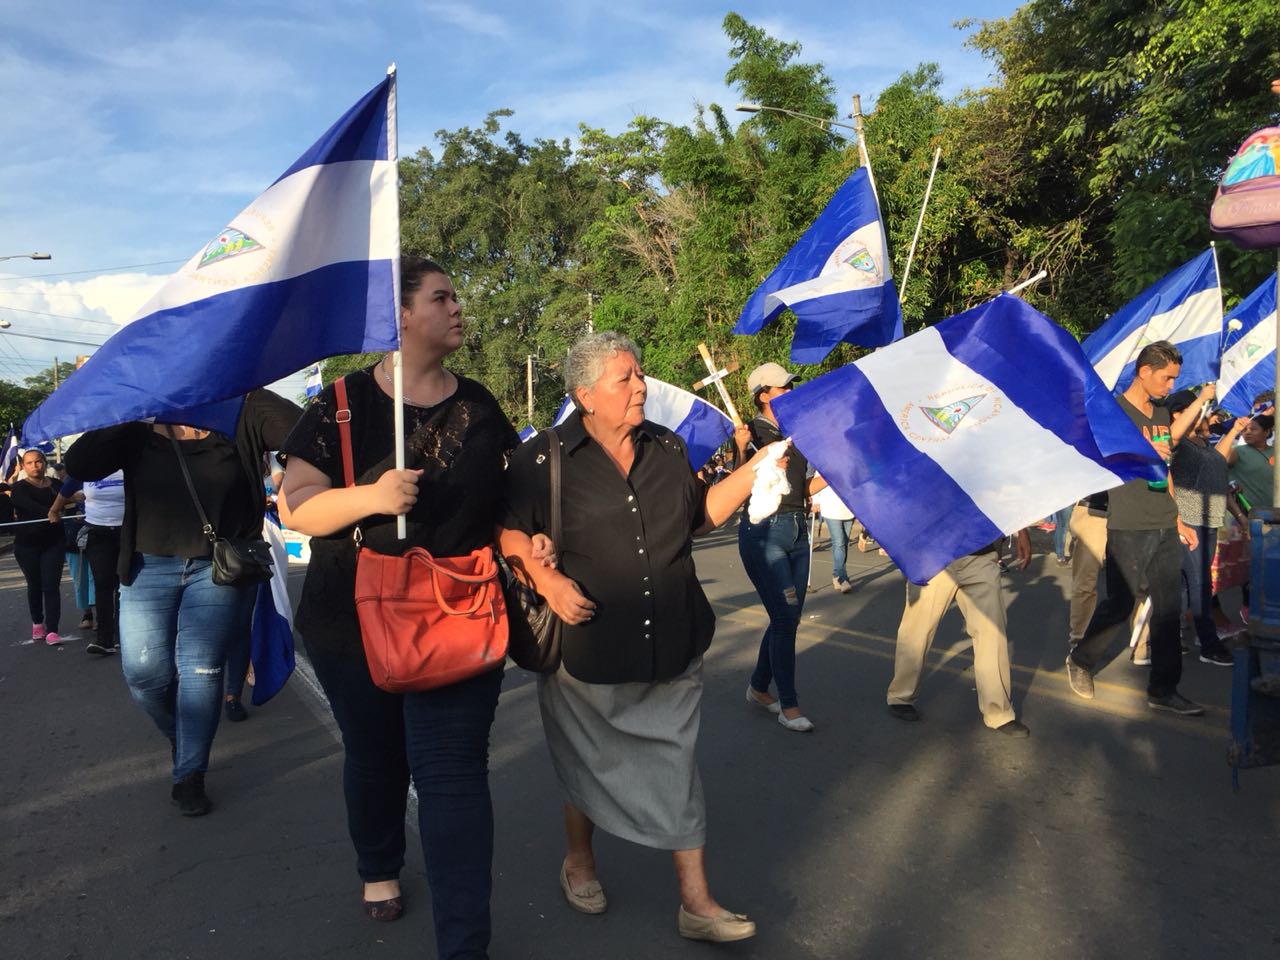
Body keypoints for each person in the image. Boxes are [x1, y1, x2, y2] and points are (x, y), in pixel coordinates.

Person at [279, 257, 542, 958]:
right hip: (351, 622)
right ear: (398, 315)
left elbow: (508, 505)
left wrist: (531, 547)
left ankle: (464, 944)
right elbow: (295, 507)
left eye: (456, 296)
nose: (458, 307)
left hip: (459, 615)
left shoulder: (482, 406)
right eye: (442, 297)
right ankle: (378, 864)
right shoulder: (342, 402)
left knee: (453, 775)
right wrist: (371, 496)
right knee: (375, 756)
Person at [500, 331, 777, 944]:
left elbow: (699, 516)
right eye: (624, 378)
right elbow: (509, 534)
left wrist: (757, 469)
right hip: (589, 651)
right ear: (586, 394)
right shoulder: (543, 459)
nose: (641, 386)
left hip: (673, 641)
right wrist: (545, 581)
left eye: (639, 374)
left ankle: (697, 903)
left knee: (678, 770)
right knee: (586, 767)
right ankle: (580, 860)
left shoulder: (667, 447)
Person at [66, 388, 301, 815]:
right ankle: (183, 734)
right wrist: (135, 406)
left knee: (200, 669)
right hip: (147, 566)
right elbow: (79, 463)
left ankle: (189, 773)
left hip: (218, 569)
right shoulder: (139, 421)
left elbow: (301, 431)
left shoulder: (240, 409)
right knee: (143, 673)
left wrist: (245, 378)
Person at [1065, 342, 1205, 716]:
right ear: (1144, 372)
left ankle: (1163, 688)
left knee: (1168, 609)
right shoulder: (1115, 412)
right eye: (1167, 377)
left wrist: (1178, 517)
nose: (1171, 385)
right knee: (1120, 602)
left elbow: (1166, 469)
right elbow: (1103, 460)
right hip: (1128, 522)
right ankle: (1080, 660)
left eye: (1174, 378)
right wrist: (1141, 454)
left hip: (1163, 520)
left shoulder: (1160, 411)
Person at [734, 362, 827, 732]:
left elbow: (802, 491)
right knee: (786, 620)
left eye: (791, 386)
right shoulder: (750, 433)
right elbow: (737, 485)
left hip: (797, 530)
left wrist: (837, 475)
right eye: (782, 388)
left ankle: (759, 687)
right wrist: (742, 451)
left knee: (786, 617)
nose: (790, 392)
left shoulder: (795, 434)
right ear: (763, 396)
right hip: (763, 532)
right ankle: (789, 705)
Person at [886, 530, 1033, 736]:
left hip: (981, 554)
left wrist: (1022, 532)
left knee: (993, 633)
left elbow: (1007, 497)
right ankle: (901, 695)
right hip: (933, 555)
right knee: (917, 630)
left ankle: (998, 712)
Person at [1167, 390, 1242, 666]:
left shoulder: (1202, 442)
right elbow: (1173, 436)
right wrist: (1201, 399)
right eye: (1199, 409)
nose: (1205, 413)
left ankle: (1169, 635)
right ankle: (1209, 645)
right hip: (1189, 521)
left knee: (1191, 584)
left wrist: (1234, 430)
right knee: (1199, 583)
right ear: (1180, 413)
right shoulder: (1177, 442)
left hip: (1209, 520)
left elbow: (1219, 462)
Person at [49, 470, 126, 655]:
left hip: (127, 532)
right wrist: (54, 510)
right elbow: (66, 490)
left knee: (124, 583)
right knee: (102, 583)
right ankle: (104, 639)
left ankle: (123, 634)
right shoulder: (88, 465)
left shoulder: (129, 463)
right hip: (97, 532)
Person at [9, 449, 65, 645]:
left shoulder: (56, 485)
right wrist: (52, 511)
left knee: (51, 585)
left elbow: (68, 498)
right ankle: (37, 623)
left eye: (38, 462)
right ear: (24, 466)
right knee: (35, 585)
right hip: (27, 545)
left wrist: (75, 499)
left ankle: (53, 630)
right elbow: (26, 504)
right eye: (30, 463)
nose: (35, 466)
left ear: (44, 463)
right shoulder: (19, 488)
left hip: (54, 542)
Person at [1217, 409, 1274, 512]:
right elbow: (1217, 458)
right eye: (1244, 430)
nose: (1247, 433)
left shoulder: (1276, 453)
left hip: (1274, 514)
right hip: (1247, 515)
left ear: (1266, 432)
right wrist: (1234, 431)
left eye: (1253, 429)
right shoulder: (1238, 452)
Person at [813, 473, 855, 592]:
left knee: (844, 542)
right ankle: (842, 578)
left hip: (849, 508)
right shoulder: (826, 460)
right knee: (839, 542)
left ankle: (837, 574)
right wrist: (816, 501)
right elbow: (816, 481)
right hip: (831, 507)